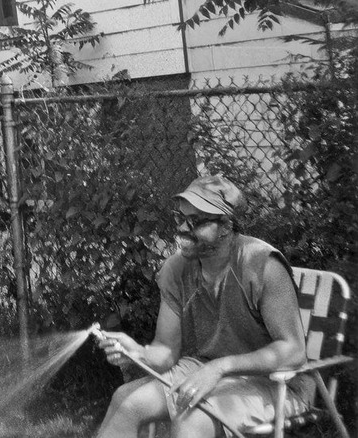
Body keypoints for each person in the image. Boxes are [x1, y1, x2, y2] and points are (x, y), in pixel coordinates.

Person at [96, 175, 314, 438]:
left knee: (192, 420)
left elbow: (293, 352)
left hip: (275, 382)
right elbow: (165, 350)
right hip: (205, 369)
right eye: (180, 218)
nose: (183, 229)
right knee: (126, 401)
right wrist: (138, 353)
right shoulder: (177, 270)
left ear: (226, 226)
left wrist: (220, 368)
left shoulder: (262, 266)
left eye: (196, 221)